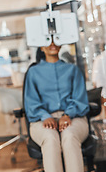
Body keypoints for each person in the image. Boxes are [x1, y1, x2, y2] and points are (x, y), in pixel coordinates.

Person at [24, 39, 89, 172]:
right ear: (41, 47)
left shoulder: (73, 70)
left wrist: (67, 114)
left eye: (56, 40)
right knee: (50, 137)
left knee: (69, 136)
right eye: (47, 41)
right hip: (41, 120)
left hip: (74, 118)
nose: (52, 44)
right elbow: (31, 102)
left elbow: (80, 99)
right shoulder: (33, 72)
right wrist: (45, 116)